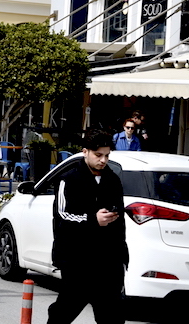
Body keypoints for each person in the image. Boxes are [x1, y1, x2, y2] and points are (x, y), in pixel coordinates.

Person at [48, 129, 128, 324]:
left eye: (107, 156)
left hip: (108, 262)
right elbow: (63, 216)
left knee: (112, 315)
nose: (103, 160)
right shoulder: (69, 180)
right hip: (78, 260)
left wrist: (122, 258)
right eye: (98, 155)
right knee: (65, 310)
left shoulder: (113, 180)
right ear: (85, 152)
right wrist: (93, 220)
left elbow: (120, 219)